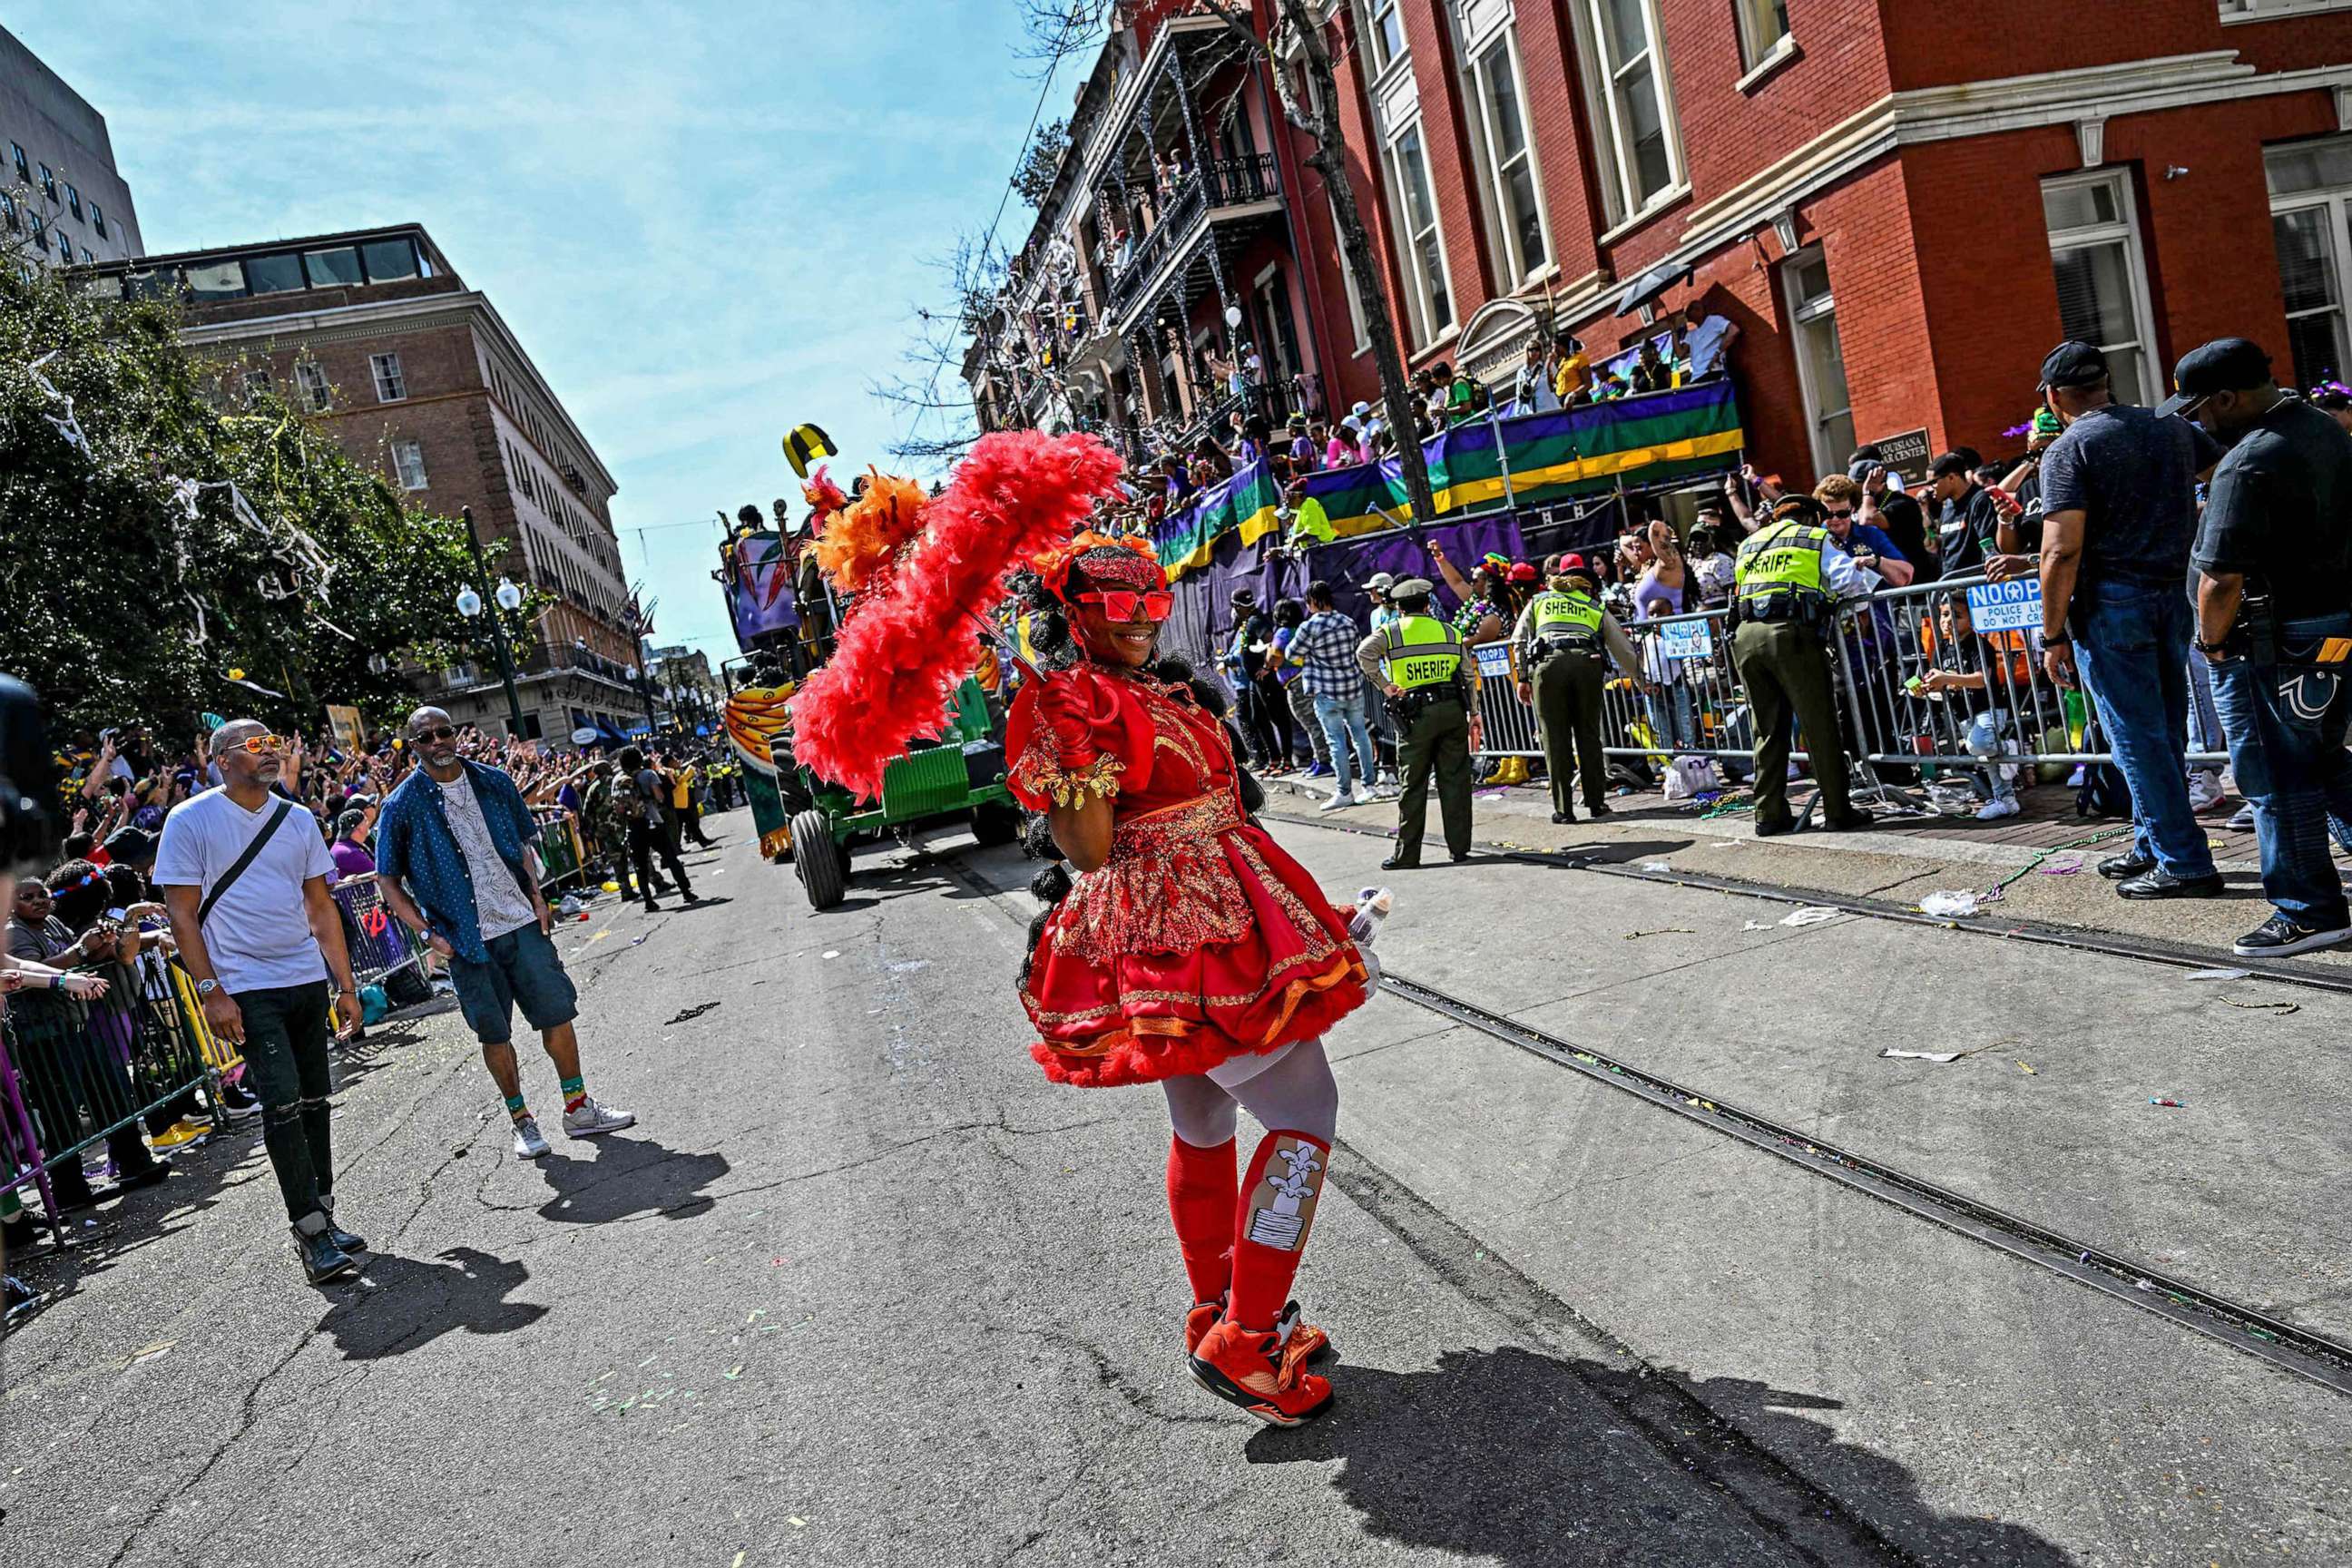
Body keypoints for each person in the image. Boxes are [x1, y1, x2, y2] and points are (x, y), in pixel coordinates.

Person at [1005, 534, 1370, 1426]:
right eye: (1116, 605)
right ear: (1072, 611)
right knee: (1304, 1112)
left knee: (1203, 1119)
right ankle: (1248, 1339)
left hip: (1215, 908)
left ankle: (1229, 1310)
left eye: (1151, 602)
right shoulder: (1073, 699)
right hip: (1186, 927)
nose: (1139, 621)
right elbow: (1090, 849)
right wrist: (1067, 761)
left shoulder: (1152, 686)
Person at [154, 719, 367, 1284]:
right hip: (245, 986)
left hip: (303, 978)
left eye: (274, 744)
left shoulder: (297, 819)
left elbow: (321, 908)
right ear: (222, 759)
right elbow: (180, 913)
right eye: (256, 746)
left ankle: (323, 1211)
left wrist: (345, 986)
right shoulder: (190, 819)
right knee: (282, 1103)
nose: (270, 753)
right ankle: (311, 1234)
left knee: (317, 1099)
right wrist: (210, 991)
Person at [375, 709, 635, 1160]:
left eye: (444, 731)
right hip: (464, 939)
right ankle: (522, 1121)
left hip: (520, 922)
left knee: (557, 1014)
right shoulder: (401, 804)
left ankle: (577, 1108)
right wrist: (428, 935)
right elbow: (387, 880)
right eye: (425, 736)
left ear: (453, 735)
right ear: (412, 745)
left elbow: (521, 844)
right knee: (494, 1034)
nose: (438, 741)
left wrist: (538, 899)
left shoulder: (495, 782)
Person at [2171, 339, 2352, 954]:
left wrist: (2211, 643)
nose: (2199, 422)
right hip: (2333, 628)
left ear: (2227, 397)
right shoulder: (2324, 430)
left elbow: (2220, 577)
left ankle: (2308, 910)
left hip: (2272, 642)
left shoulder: (2247, 461)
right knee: (2325, 757)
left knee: (2275, 775)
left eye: (2200, 409)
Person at [2035, 339, 2224, 899]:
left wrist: (2053, 634)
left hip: (2112, 603)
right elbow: (2222, 471)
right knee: (2163, 729)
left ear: (2054, 396)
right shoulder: (2168, 427)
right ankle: (2151, 841)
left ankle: (2182, 861)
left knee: (2136, 739)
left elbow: (2060, 551)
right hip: (2172, 596)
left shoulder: (2069, 448)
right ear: (2105, 382)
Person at [1729, 495, 1874, 836]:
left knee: (1766, 730)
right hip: (1791, 637)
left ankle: (1769, 815)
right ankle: (1838, 810)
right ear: (1810, 517)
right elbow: (1847, 581)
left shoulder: (1750, 544)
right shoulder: (1813, 538)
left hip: (1746, 637)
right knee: (1819, 724)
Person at [1359, 578, 1481, 868]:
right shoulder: (1450, 632)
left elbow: (1364, 654)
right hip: (1452, 710)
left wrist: (1386, 686)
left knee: (1412, 785)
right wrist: (1474, 713)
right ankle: (1460, 848)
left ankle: (1408, 855)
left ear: (1399, 607)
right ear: (1428, 605)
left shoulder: (1390, 632)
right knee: (1455, 781)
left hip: (1416, 716)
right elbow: (1467, 676)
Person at [1514, 554, 1642, 824]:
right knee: (1588, 736)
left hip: (1548, 668)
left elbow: (1520, 640)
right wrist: (1641, 679)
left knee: (1554, 739)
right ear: (1585, 586)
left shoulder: (1539, 601)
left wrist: (1523, 677)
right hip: (1587, 665)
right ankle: (1596, 804)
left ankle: (1564, 810)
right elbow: (1622, 648)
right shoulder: (1593, 605)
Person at [1293, 582, 1380, 809]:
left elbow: (1292, 654)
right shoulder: (1347, 622)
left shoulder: (1309, 627)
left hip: (1326, 691)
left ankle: (1344, 792)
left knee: (1337, 742)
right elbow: (1356, 649)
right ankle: (1369, 786)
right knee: (1360, 736)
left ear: (1312, 601)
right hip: (1352, 687)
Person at [616, 745, 701, 912]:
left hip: (633, 827)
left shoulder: (617, 780)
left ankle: (649, 902)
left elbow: (618, 807)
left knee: (640, 866)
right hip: (653, 821)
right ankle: (686, 892)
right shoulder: (648, 774)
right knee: (671, 857)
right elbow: (660, 797)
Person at [1927, 451, 2002, 576]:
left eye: (1933, 482)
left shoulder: (1980, 500)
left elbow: (1988, 547)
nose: (1930, 488)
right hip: (1950, 585)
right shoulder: (1947, 507)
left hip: (1975, 586)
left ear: (1951, 478)